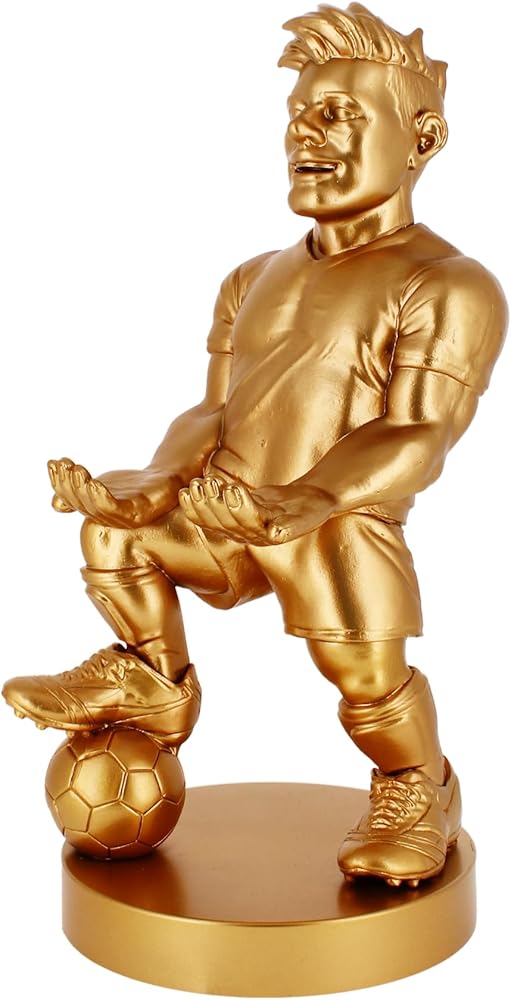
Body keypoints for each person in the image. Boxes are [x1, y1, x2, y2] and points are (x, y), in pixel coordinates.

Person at [3, 3, 507, 887]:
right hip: (227, 508)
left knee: (364, 676)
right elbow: (216, 411)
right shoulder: (249, 277)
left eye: (339, 114)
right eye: (298, 114)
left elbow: (419, 432)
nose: (305, 132)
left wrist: (303, 501)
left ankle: (415, 786)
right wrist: (154, 480)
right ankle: (156, 680)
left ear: (421, 138)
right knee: (113, 532)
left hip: (334, 522)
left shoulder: (448, 284)